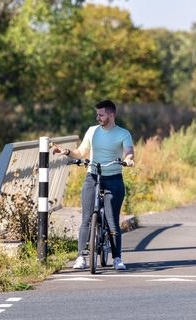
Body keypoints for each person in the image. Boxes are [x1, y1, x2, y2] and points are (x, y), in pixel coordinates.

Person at [52, 99, 134, 270]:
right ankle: (81, 256)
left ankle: (117, 258)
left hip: (113, 178)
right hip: (93, 176)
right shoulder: (92, 131)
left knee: (112, 220)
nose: (98, 117)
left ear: (111, 115)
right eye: (97, 114)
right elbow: (81, 151)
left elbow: (129, 152)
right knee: (87, 219)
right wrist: (66, 152)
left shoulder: (123, 134)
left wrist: (128, 160)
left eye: (101, 114)